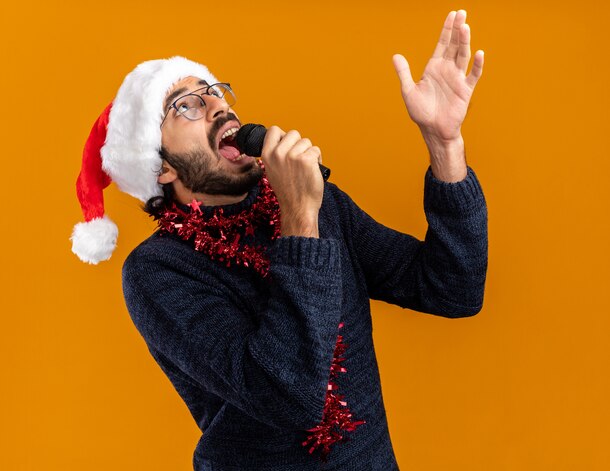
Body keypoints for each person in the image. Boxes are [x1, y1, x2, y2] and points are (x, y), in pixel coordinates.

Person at [70, 9, 487, 471]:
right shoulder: (158, 271)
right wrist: (301, 218)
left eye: (214, 90)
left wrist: (445, 144)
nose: (216, 105)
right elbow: (289, 395)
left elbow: (453, 290)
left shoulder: (318, 203)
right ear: (161, 166)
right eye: (184, 104)